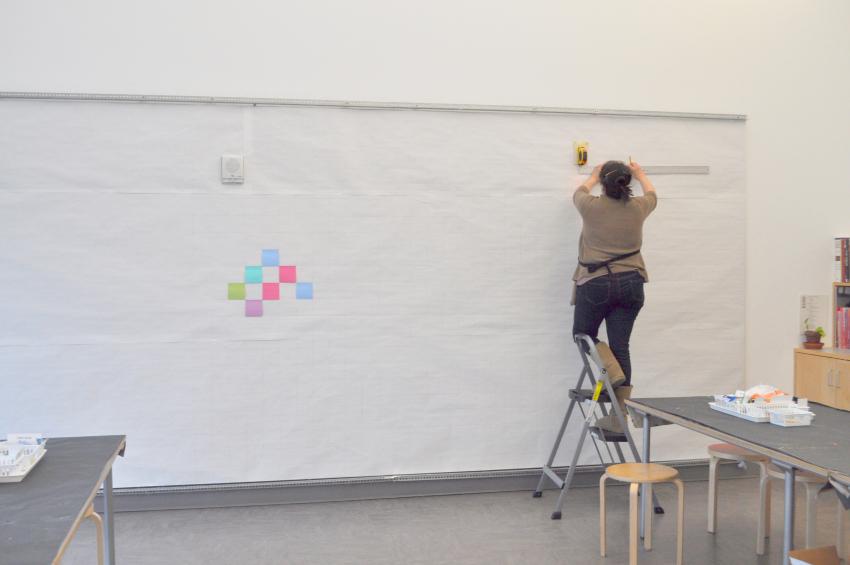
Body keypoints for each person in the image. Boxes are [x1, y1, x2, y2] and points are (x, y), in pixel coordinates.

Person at [572, 159, 657, 434]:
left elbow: (579, 192)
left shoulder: (591, 206)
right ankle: (619, 417)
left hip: (596, 283)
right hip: (632, 283)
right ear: (627, 182)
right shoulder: (638, 208)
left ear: (604, 183)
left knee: (583, 334)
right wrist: (641, 173)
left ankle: (612, 369)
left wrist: (593, 175)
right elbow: (652, 195)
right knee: (621, 346)